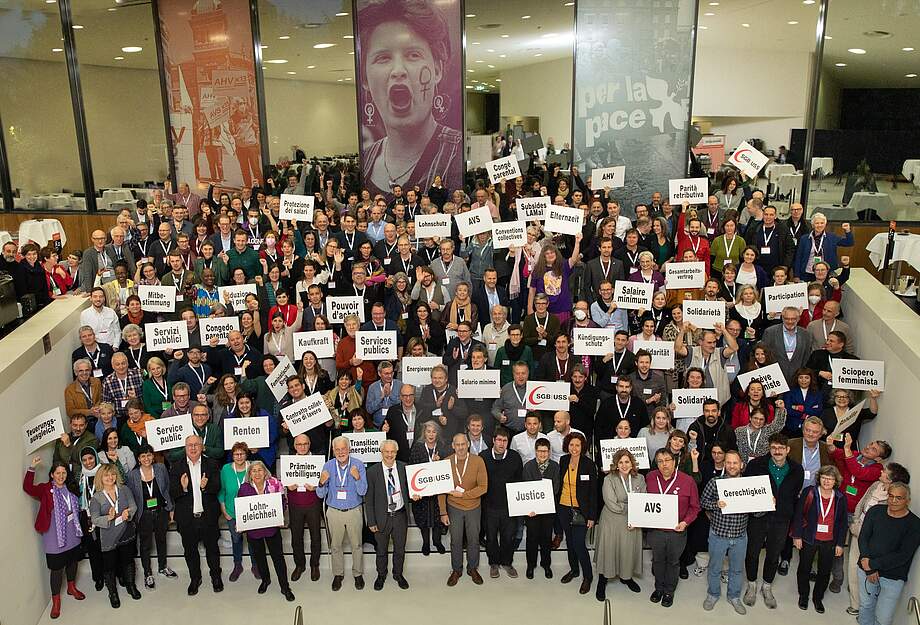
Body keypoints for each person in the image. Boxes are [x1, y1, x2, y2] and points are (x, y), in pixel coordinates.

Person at [742, 432, 803, 609]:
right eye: (774, 447)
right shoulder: (756, 465)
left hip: (781, 519)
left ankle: (767, 586)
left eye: (781, 448)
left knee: (773, 554)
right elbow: (747, 490)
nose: (777, 451)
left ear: (787, 449)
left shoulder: (796, 470)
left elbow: (794, 495)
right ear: (769, 448)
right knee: (752, 553)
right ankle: (752, 585)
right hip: (758, 517)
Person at [23, 457, 86, 619]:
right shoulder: (45, 489)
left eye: (64, 472)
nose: (61, 475)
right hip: (53, 537)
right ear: (52, 475)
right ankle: (56, 601)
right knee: (57, 570)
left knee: (72, 562)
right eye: (57, 473)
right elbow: (28, 487)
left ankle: (71, 587)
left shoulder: (70, 488)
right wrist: (32, 468)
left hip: (73, 533)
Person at [847, 462, 911, 616]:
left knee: (864, 571)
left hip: (871, 539)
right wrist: (855, 522)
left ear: (890, 479)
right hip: (858, 531)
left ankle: (863, 607)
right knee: (852, 567)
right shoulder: (875, 485)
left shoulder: (891, 500)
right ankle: (856, 603)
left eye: (884, 471)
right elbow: (861, 503)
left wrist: (865, 532)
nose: (881, 471)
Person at [856, 482, 920, 625]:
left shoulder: (914, 524)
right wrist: (869, 566)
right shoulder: (875, 511)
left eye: (899, 498)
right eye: (891, 496)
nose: (893, 501)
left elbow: (903, 555)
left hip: (893, 576)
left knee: (883, 618)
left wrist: (873, 564)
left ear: (908, 500)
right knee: (866, 607)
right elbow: (863, 538)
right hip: (866, 569)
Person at [645, 447, 701, 607]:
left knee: (673, 562)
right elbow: (641, 502)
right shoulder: (649, 477)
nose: (664, 465)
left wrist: (685, 522)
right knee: (657, 560)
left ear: (674, 461)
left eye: (667, 460)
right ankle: (659, 588)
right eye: (660, 461)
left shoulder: (687, 480)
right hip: (655, 531)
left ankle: (669, 590)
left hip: (677, 530)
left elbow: (695, 507)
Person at [169, 435, 223, 595]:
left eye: (196, 445)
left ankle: (216, 577)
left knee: (212, 549)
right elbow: (173, 492)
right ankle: (195, 578)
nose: (193, 448)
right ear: (185, 447)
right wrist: (183, 488)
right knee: (190, 551)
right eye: (189, 445)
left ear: (202, 447)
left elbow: (217, 487)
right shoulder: (176, 467)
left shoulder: (212, 464)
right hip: (187, 519)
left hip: (208, 517)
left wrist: (206, 487)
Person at [792, 465, 848, 613]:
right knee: (804, 567)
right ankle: (803, 595)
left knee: (824, 571)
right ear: (819, 478)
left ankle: (818, 598)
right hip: (809, 538)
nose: (827, 481)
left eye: (830, 479)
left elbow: (843, 523)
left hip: (829, 541)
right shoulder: (809, 492)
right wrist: (797, 536)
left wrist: (840, 543)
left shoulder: (841, 497)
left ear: (836, 481)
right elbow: (798, 515)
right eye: (824, 478)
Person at [236, 461, 295, 601]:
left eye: (259, 470)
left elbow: (283, 502)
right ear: (249, 474)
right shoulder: (244, 488)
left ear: (265, 472)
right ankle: (265, 580)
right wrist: (240, 523)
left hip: (272, 529)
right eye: (253, 471)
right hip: (254, 531)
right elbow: (241, 508)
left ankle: (285, 587)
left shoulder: (274, 484)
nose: (257, 473)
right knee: (259, 557)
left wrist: (279, 514)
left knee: (278, 558)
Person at [700, 450, 749, 614]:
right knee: (714, 568)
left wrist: (767, 502)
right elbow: (703, 502)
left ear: (741, 465)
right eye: (729, 462)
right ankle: (713, 594)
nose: (732, 466)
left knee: (736, 569)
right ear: (724, 464)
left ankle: (734, 596)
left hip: (740, 536)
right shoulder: (715, 482)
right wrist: (716, 504)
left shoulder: (749, 485)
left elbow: (757, 512)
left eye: (735, 463)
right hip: (718, 534)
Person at [317, 436, 368, 591]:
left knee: (357, 545)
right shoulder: (328, 466)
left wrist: (357, 477)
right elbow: (320, 495)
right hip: (334, 512)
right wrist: (321, 482)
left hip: (354, 511)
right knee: (335, 546)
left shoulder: (358, 465)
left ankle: (358, 574)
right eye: (337, 449)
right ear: (333, 451)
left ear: (349, 449)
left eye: (343, 449)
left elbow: (363, 491)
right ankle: (338, 575)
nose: (341, 452)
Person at [595, 449, 646, 601]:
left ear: (632, 463)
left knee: (627, 550)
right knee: (609, 549)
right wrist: (632, 506)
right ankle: (602, 581)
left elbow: (643, 500)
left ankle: (626, 577)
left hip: (632, 521)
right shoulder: (609, 479)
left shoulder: (640, 478)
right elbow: (612, 503)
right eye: (621, 462)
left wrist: (636, 513)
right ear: (616, 465)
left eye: (627, 462)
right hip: (612, 521)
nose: (624, 465)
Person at [440, 432, 489, 587]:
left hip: (474, 507)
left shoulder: (478, 461)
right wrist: (443, 512)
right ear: (453, 446)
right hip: (453, 507)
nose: (460, 447)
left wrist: (464, 495)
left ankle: (472, 568)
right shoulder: (446, 462)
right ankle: (456, 570)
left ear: (467, 444)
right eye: (457, 445)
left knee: (474, 540)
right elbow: (441, 490)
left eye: (463, 444)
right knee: (456, 540)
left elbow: (483, 487)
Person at [89, 463, 140, 607]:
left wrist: (127, 513)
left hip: (126, 532)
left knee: (128, 561)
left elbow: (134, 506)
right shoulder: (96, 498)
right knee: (109, 566)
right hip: (108, 536)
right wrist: (108, 518)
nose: (110, 477)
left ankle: (131, 586)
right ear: (100, 478)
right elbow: (94, 519)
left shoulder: (124, 489)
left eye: (112, 474)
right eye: (106, 475)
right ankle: (113, 593)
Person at [125, 444, 176, 589]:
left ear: (153, 456)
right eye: (143, 456)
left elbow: (167, 488)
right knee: (145, 545)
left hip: (161, 511)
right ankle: (148, 573)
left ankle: (162, 567)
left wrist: (170, 508)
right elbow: (131, 496)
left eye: (149, 455)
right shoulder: (133, 475)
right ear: (138, 459)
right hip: (144, 515)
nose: (146, 458)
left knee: (161, 540)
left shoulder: (160, 468)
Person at [365, 439, 411, 591]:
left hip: (399, 516)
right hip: (381, 517)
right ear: (381, 453)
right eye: (387, 451)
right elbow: (369, 499)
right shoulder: (372, 472)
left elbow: (411, 489)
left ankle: (398, 574)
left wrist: (415, 495)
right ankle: (381, 575)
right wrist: (371, 521)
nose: (390, 454)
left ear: (396, 452)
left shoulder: (404, 468)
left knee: (400, 549)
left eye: (393, 452)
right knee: (381, 550)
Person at [558, 431, 598, 595]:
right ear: (567, 446)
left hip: (582, 511)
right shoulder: (563, 460)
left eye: (578, 445)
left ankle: (587, 576)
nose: (574, 448)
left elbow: (593, 492)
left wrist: (592, 516)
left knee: (579, 544)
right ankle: (574, 570)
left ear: (583, 447)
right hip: (563, 507)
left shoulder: (589, 464)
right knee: (569, 542)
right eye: (572, 444)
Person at [481, 427, 524, 579]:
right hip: (489, 507)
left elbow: (520, 481)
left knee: (508, 537)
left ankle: (506, 562)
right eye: (499, 440)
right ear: (493, 440)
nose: (501, 443)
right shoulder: (483, 456)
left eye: (505, 441)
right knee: (491, 538)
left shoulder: (515, 457)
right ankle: (493, 563)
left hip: (509, 507)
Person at [285, 434, 323, 583]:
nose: (302, 447)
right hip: (295, 505)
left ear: (309, 444)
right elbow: (284, 482)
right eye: (299, 444)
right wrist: (288, 485)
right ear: (294, 446)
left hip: (313, 504)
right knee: (296, 538)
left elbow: (324, 482)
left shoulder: (318, 461)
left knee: (316, 536)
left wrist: (317, 486)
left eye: (305, 444)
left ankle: (315, 565)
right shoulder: (289, 461)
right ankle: (299, 565)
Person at [409, 422, 450, 555]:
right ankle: (426, 542)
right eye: (428, 431)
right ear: (424, 433)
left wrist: (440, 462)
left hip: (439, 493)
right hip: (422, 493)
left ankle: (437, 542)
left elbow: (448, 470)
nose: (431, 434)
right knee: (423, 519)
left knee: (438, 519)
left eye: (434, 432)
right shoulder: (417, 447)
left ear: (437, 433)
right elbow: (412, 468)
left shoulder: (443, 448)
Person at [521, 438, 560, 579]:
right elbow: (526, 488)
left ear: (549, 452)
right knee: (532, 539)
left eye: (545, 451)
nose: (543, 454)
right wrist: (531, 506)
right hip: (532, 512)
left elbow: (555, 488)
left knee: (545, 538)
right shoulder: (528, 466)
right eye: (540, 451)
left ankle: (546, 564)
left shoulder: (555, 467)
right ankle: (530, 565)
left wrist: (543, 501)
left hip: (548, 510)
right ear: (535, 451)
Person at [218, 442, 256, 582]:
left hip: (250, 512)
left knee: (253, 539)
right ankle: (237, 565)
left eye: (242, 454)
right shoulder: (226, 469)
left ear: (246, 455)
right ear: (232, 455)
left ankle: (255, 565)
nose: (239, 456)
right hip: (231, 512)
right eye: (236, 454)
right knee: (236, 539)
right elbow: (222, 491)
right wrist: (224, 511)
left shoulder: (253, 468)